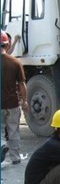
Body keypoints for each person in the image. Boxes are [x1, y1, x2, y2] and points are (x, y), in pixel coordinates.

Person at [1, 30, 28, 164]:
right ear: (7, 45)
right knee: (13, 131)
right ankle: (15, 157)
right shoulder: (15, 62)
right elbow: (22, 84)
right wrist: (25, 101)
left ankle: (2, 145)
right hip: (12, 103)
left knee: (0, 131)